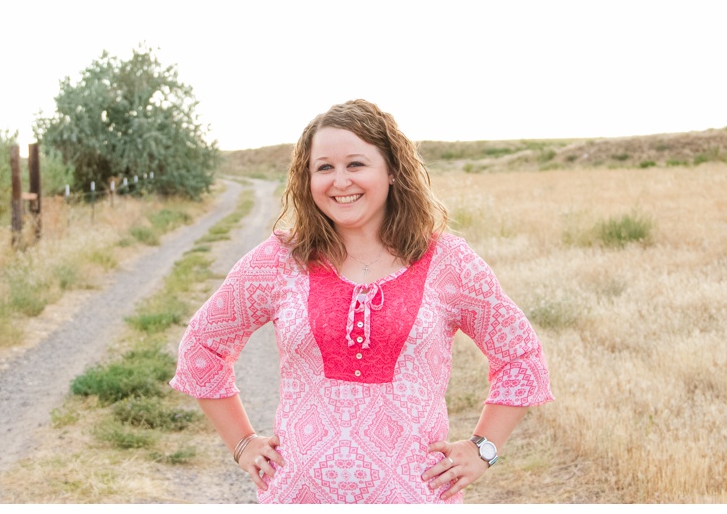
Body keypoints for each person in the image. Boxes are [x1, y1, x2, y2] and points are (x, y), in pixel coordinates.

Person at [171, 99, 551, 503]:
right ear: (307, 179)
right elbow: (203, 348)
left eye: (355, 164)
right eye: (324, 167)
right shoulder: (281, 260)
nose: (340, 181)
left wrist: (482, 449)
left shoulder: (448, 262)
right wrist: (243, 443)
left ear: (391, 172)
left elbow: (520, 358)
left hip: (414, 500)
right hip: (298, 498)